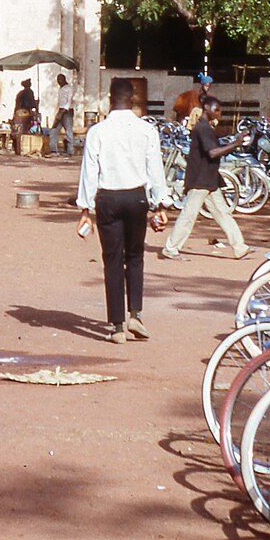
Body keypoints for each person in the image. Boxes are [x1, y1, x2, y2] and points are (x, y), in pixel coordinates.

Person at [75, 78, 171, 344]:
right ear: (133, 99)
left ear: (109, 99)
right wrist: (161, 203)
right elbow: (155, 169)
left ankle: (117, 327)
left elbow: (89, 172)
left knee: (112, 260)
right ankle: (136, 315)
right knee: (136, 256)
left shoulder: (98, 131)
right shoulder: (146, 130)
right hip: (136, 198)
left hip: (108, 199)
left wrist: (85, 209)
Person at [164, 95, 251, 260]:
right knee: (188, 216)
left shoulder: (206, 127)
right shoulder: (202, 128)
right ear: (206, 109)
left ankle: (240, 247)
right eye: (216, 110)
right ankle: (171, 248)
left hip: (209, 179)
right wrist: (236, 144)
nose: (219, 113)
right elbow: (212, 152)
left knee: (223, 214)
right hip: (200, 180)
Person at [52, 73, 76, 157]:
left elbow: (69, 102)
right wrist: (58, 112)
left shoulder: (69, 88)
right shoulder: (60, 88)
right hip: (60, 110)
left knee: (68, 131)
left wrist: (62, 112)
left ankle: (70, 150)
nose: (59, 82)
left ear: (64, 79)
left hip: (67, 111)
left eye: (60, 80)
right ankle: (53, 149)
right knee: (54, 129)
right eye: (58, 80)